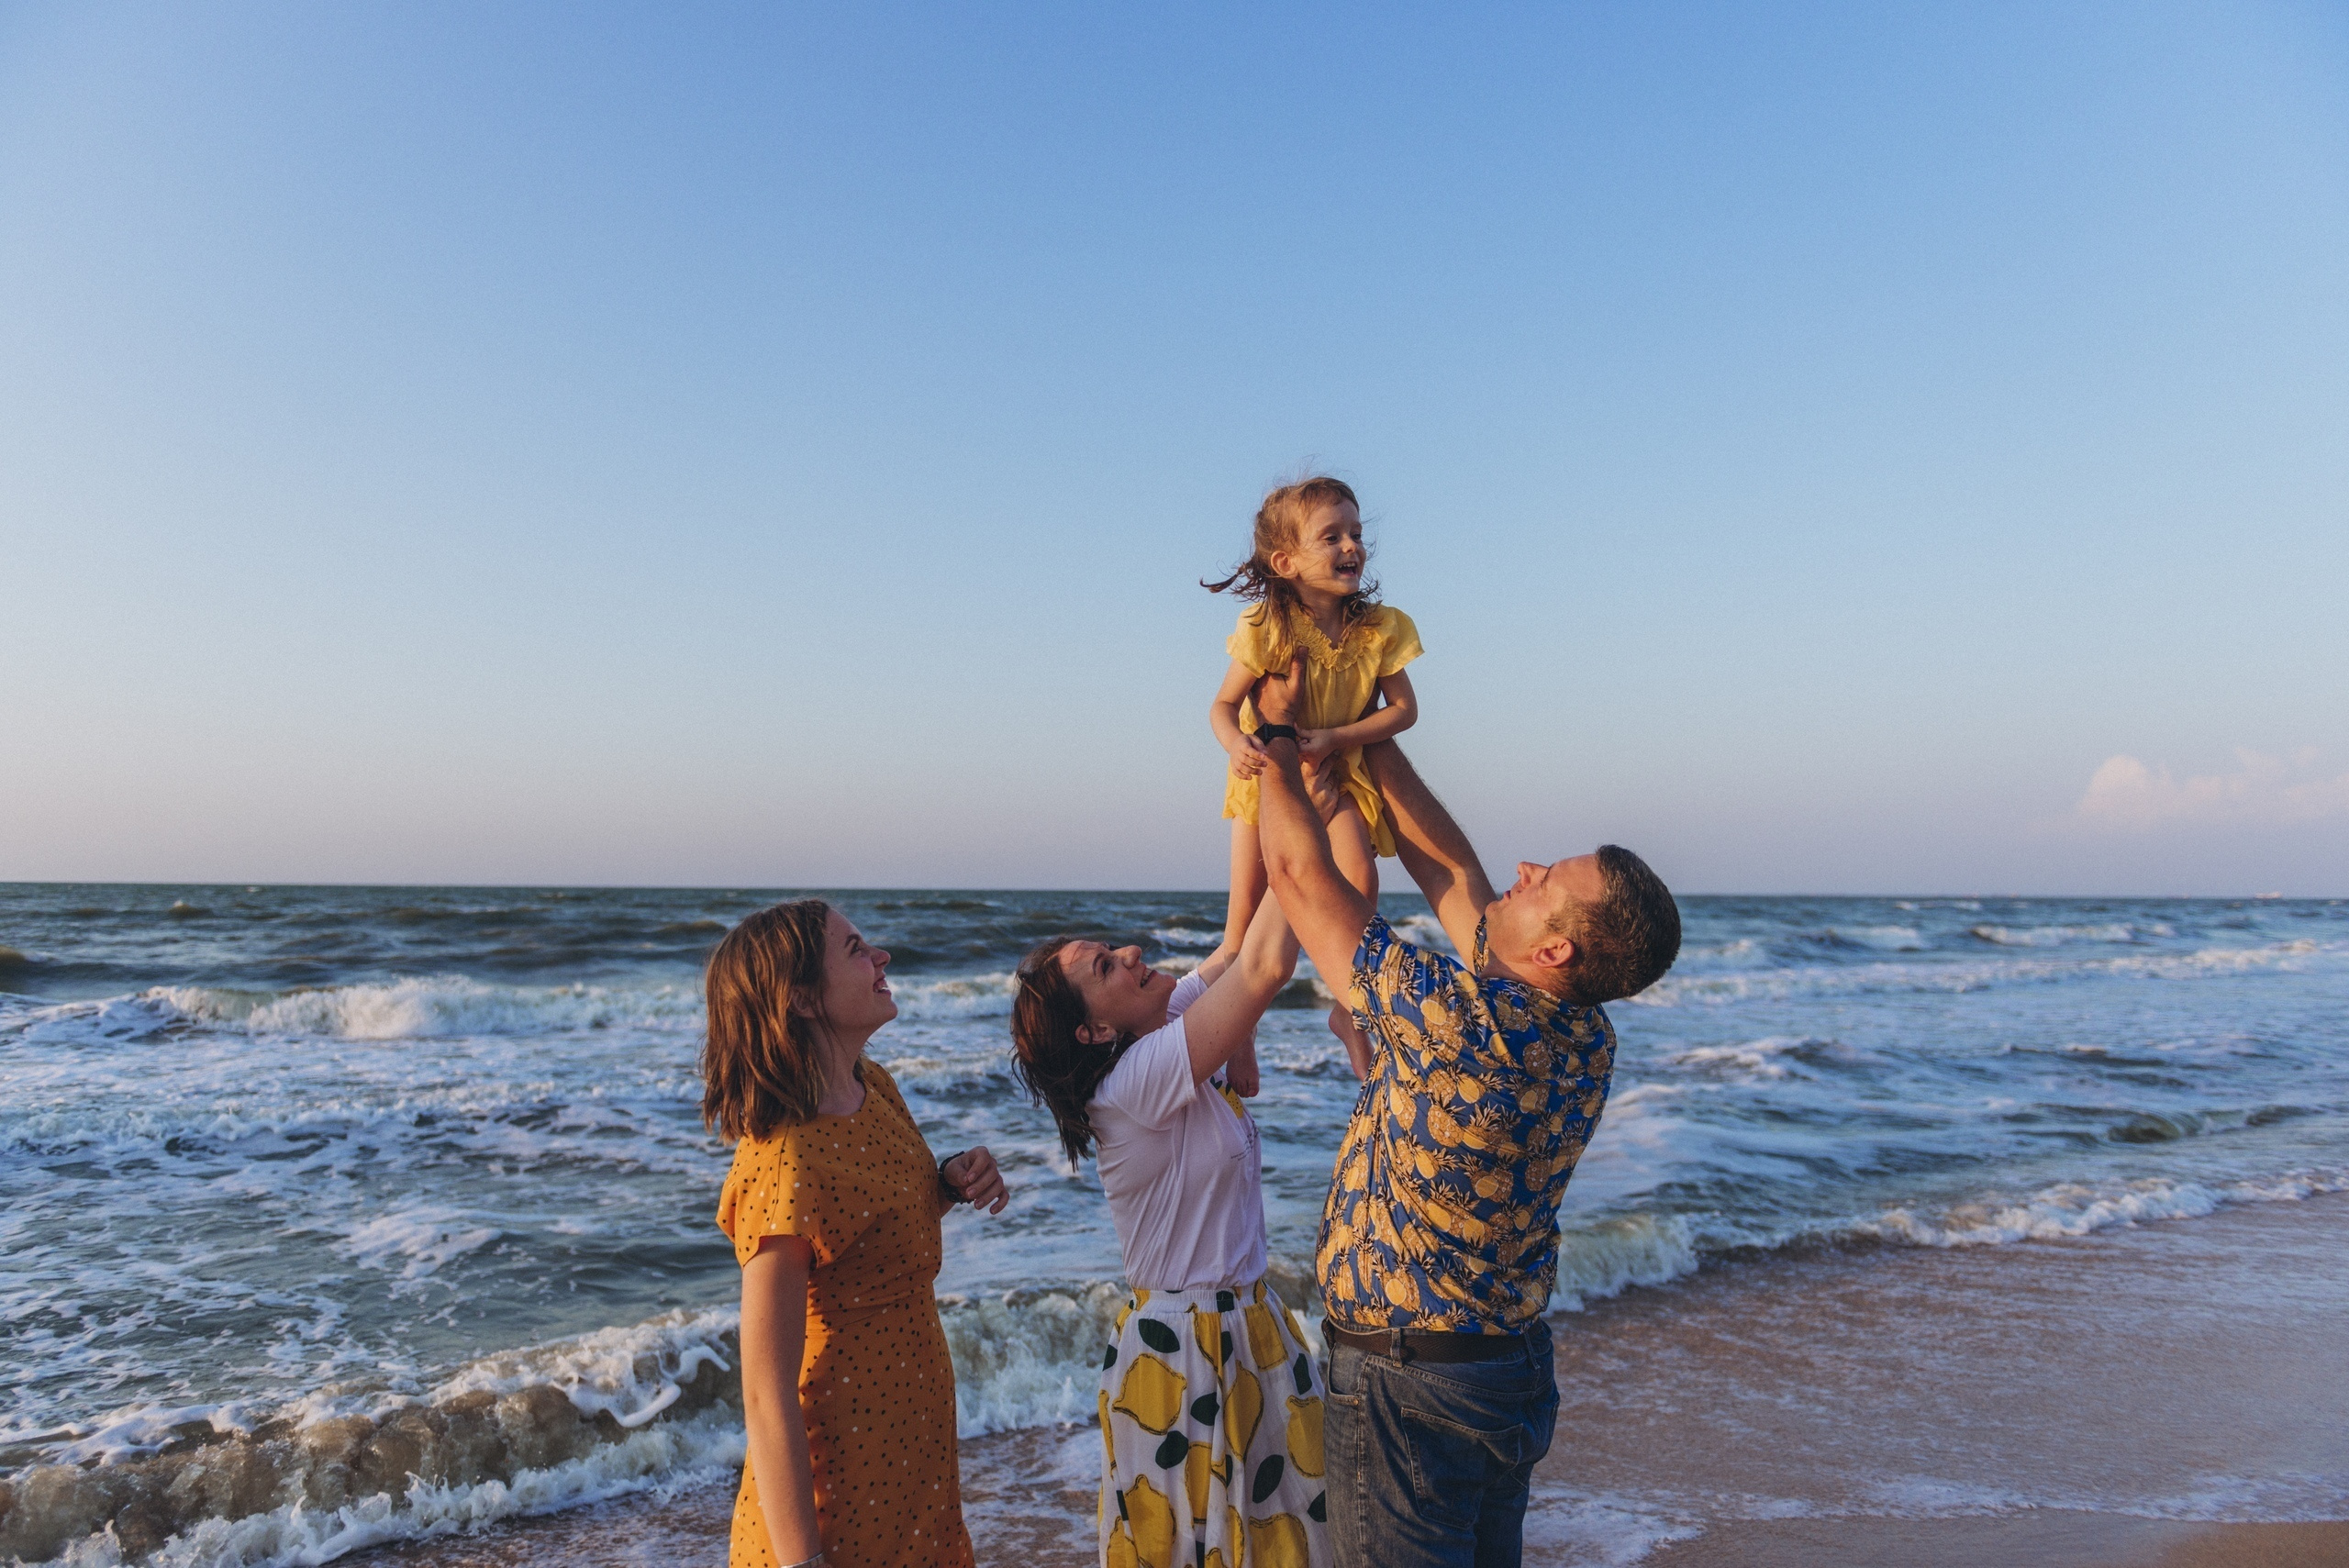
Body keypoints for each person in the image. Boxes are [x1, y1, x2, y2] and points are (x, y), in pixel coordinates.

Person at [1247, 659, 1682, 1568]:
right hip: (1500, 1373)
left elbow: (1297, 874)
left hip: (1411, 1387)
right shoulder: (1585, 1036)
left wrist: (1279, 741)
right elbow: (1448, 867)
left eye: (1544, 881)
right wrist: (1368, 731)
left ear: (1555, 949)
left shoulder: (1458, 1018)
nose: (1522, 869)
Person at [1010, 895, 1331, 1568]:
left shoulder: (1165, 1028)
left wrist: (1271, 811)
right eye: (1106, 966)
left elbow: (1238, 944)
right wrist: (1305, 837)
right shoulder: (1136, 1080)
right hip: (1184, 1352)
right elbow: (1265, 965)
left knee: (1290, 1545)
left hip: (1251, 1325)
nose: (1131, 953)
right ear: (1094, 1031)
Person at [703, 899, 1011, 1568]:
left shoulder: (875, 1088)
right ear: (802, 998)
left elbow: (871, 1233)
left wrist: (947, 1183)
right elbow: (765, 1393)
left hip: (913, 1478)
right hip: (839, 1503)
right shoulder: (785, 1161)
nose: (881, 958)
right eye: (855, 949)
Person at [1205, 475, 1422, 1079]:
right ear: (1287, 562)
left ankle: (1349, 1010)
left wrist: (1337, 738)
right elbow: (1222, 706)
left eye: (1356, 533)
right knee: (1244, 921)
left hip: (1336, 772)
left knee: (1360, 880)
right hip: (1268, 782)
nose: (1351, 546)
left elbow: (1405, 710)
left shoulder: (1377, 628)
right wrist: (1235, 745)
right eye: (1332, 537)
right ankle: (1239, 1030)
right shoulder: (1267, 627)